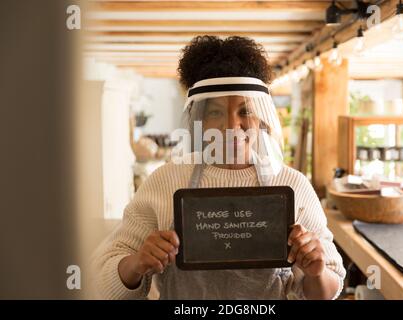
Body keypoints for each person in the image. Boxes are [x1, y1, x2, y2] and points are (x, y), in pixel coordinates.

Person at [93, 36, 345, 300]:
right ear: (198, 120)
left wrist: (316, 272)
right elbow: (102, 281)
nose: (231, 126)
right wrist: (137, 262)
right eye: (215, 112)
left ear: (262, 119)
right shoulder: (165, 180)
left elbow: (327, 290)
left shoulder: (293, 184)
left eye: (245, 111)